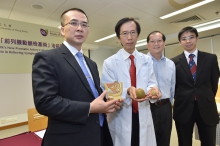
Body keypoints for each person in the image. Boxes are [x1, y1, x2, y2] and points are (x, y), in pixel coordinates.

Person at [32, 8, 122, 146]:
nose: (80, 28)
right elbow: (45, 102)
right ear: (62, 30)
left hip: (98, 134)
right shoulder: (47, 58)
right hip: (69, 139)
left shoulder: (91, 63)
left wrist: (108, 101)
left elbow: (92, 93)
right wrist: (90, 108)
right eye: (73, 23)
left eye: (84, 24)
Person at [101, 17, 161, 146]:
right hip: (121, 115)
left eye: (133, 32)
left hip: (143, 113)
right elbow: (109, 91)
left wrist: (153, 90)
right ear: (118, 37)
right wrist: (127, 90)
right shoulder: (110, 62)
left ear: (138, 35)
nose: (129, 37)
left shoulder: (146, 60)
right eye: (125, 33)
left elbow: (152, 82)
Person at [171, 26, 220, 146]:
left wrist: (204, 96)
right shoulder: (173, 62)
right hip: (183, 108)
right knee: (184, 142)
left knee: (209, 142)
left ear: (197, 38)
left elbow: (214, 83)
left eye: (191, 37)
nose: (188, 41)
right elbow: (174, 86)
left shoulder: (210, 59)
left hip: (206, 107)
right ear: (180, 42)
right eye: (184, 39)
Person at [146, 31, 175, 146]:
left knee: (165, 139)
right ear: (148, 44)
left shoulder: (171, 64)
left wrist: (170, 104)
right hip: (148, 106)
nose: (156, 44)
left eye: (159, 41)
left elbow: (173, 85)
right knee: (148, 140)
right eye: (152, 41)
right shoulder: (142, 62)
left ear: (164, 43)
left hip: (166, 107)